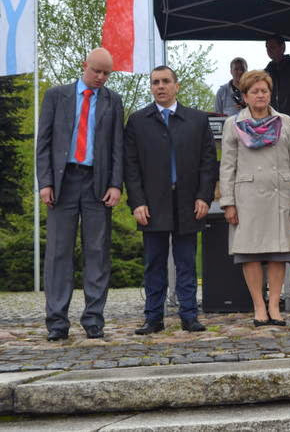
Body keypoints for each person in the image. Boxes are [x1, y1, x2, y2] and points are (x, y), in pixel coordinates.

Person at [36, 47, 123, 341]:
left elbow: (117, 146)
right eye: (96, 71)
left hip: (98, 184)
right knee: (58, 253)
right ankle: (57, 322)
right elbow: (44, 143)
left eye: (106, 73)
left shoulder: (113, 101)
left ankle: (94, 319)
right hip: (63, 183)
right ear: (85, 65)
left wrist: (115, 184)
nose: (100, 77)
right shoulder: (55, 96)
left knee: (97, 252)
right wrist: (45, 182)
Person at [124, 65, 217, 335]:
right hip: (152, 203)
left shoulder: (197, 120)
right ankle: (153, 318)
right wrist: (137, 202)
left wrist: (204, 196)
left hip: (188, 201)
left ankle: (189, 315)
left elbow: (208, 163)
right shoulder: (138, 121)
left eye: (165, 81)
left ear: (177, 86)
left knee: (186, 261)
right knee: (154, 262)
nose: (160, 86)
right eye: (155, 82)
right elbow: (131, 166)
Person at [219, 70, 290, 326]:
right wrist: (228, 203)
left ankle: (275, 306)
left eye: (265, 91)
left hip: (280, 197)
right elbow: (227, 166)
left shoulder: (286, 122)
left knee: (278, 254)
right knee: (250, 254)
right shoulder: (233, 124)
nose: (260, 95)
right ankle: (259, 306)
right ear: (245, 96)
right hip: (246, 199)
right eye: (255, 91)